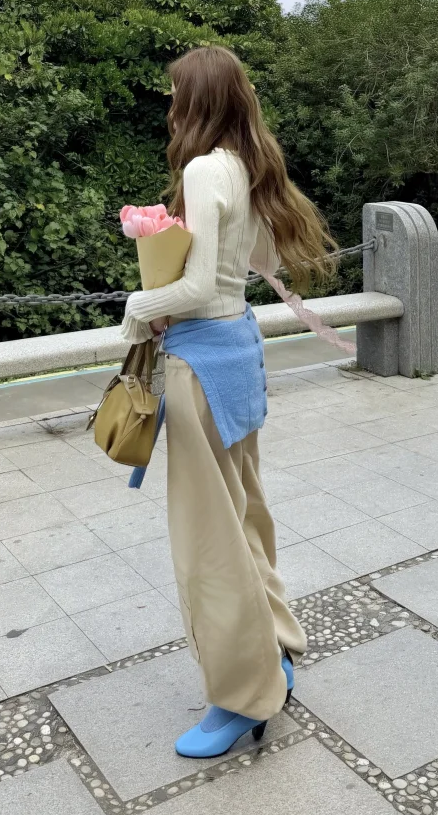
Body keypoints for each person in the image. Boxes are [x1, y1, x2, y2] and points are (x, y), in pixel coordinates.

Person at [120, 44, 336, 758]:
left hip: (202, 366)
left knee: (208, 540)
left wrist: (137, 306)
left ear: (197, 100)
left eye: (175, 93)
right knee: (244, 515)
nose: (170, 104)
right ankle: (276, 650)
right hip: (239, 351)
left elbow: (195, 287)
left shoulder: (203, 169)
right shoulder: (249, 165)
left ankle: (243, 695)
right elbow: (242, 273)